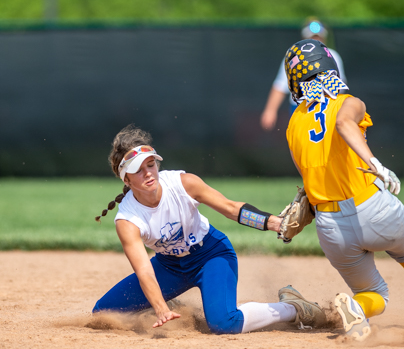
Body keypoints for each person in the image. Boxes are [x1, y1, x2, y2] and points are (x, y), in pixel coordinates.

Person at [282, 39, 404, 341]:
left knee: (374, 293)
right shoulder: (349, 102)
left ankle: (356, 306)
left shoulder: (292, 125)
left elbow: (307, 178)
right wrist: (375, 163)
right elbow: (342, 123)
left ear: (294, 80)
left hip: (331, 226)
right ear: (332, 69)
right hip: (373, 208)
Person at [92, 124, 326, 334]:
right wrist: (161, 309)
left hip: (211, 255)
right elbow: (144, 271)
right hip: (170, 266)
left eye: (151, 164)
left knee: (224, 323)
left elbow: (230, 208)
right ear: (126, 179)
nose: (148, 173)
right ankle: (169, 301)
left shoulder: (183, 184)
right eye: (137, 170)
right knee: (103, 313)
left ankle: (293, 307)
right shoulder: (127, 219)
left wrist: (276, 223)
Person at [261, 18, 347, 131]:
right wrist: (270, 110)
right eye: (312, 37)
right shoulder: (294, 57)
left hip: (327, 107)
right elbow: (280, 86)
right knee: (300, 144)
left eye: (318, 36)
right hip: (301, 108)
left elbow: (339, 87)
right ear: (304, 38)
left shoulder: (333, 56)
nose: (315, 40)